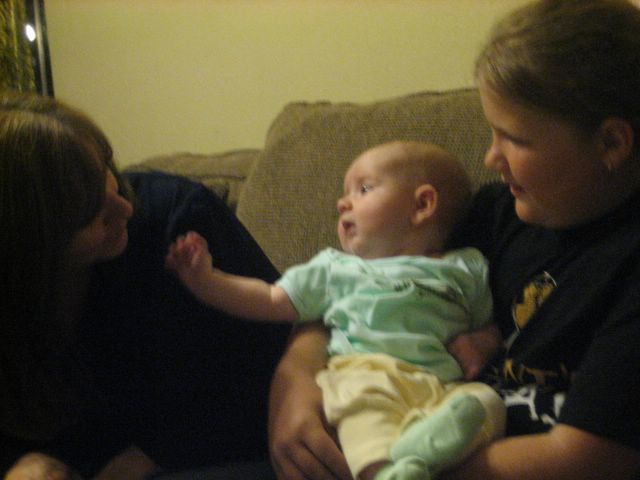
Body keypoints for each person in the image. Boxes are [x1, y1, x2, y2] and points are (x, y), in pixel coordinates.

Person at [267, 1, 640, 479]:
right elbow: (356, 283)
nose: (490, 157)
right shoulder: (495, 215)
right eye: (491, 133)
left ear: (611, 143)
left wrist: (403, 468)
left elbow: (589, 459)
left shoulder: (627, 263)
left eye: (513, 138)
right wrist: (295, 380)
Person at [166, 141, 506, 480]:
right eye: (345, 194)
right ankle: (389, 472)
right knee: (364, 425)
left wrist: (483, 342)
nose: (342, 203)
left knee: (485, 403)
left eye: (364, 189)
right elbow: (269, 299)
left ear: (422, 205)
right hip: (366, 377)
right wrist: (206, 281)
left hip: (443, 383)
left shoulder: (467, 267)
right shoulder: (334, 269)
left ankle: (419, 456)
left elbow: (489, 323)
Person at [0, 91, 290, 479]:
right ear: (31, 242)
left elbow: (282, 340)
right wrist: (29, 462)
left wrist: (151, 455)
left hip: (216, 453)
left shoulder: (178, 219)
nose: (124, 208)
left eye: (108, 175)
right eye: (92, 212)